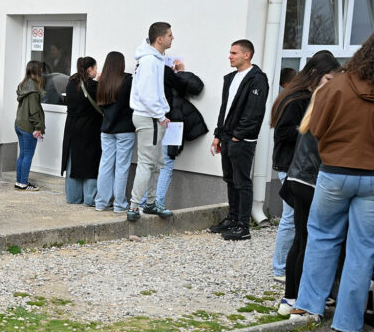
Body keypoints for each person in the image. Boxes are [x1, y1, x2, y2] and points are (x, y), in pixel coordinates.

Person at [290, 33, 374, 332]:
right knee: (362, 248)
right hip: (372, 177)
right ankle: (349, 323)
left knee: (322, 237)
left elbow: (316, 128)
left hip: (334, 172)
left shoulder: (335, 86)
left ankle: (308, 305)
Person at [269, 51, 340, 282]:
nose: (330, 85)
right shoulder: (298, 98)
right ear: (315, 73)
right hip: (291, 166)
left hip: (295, 166)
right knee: (291, 219)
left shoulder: (300, 95)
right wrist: (310, 132)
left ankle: (286, 268)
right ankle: (281, 269)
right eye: (328, 79)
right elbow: (282, 132)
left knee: (294, 220)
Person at [208, 39, 269, 241]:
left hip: (242, 139)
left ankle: (243, 226)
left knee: (242, 181)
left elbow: (254, 112)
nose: (230, 56)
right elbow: (225, 109)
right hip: (227, 137)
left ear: (247, 55)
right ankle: (233, 219)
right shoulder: (231, 78)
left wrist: (238, 135)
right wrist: (218, 135)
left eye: (234, 53)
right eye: (230, 52)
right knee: (230, 179)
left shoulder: (257, 79)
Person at [139, 63, 208, 212]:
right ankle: (156, 203)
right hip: (170, 124)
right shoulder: (167, 76)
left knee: (151, 164)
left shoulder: (144, 77)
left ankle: (144, 202)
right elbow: (196, 87)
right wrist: (180, 72)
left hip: (150, 124)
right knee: (165, 164)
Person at [128, 22, 174, 222]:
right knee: (147, 163)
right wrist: (160, 115)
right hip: (149, 118)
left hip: (152, 117)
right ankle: (134, 206)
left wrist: (161, 113)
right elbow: (147, 94)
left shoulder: (153, 58)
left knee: (155, 163)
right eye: (170, 35)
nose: (173, 38)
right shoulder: (149, 61)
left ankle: (150, 203)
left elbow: (153, 92)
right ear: (160, 39)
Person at [94, 52, 134, 212]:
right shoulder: (128, 81)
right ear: (121, 64)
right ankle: (119, 204)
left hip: (106, 128)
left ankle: (101, 202)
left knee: (105, 164)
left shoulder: (102, 82)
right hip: (125, 129)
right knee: (122, 167)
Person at [61, 56, 101, 205]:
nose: (96, 71)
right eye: (95, 68)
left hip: (72, 128)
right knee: (90, 162)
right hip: (90, 129)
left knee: (73, 162)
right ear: (90, 69)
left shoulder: (71, 84)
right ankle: (90, 198)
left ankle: (73, 197)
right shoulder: (93, 86)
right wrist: (100, 83)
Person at [15, 60, 46, 191]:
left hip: (19, 124)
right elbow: (34, 111)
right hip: (28, 126)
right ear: (37, 71)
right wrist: (38, 127)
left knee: (22, 154)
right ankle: (23, 183)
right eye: (41, 70)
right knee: (27, 155)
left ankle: (19, 182)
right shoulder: (33, 90)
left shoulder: (23, 84)